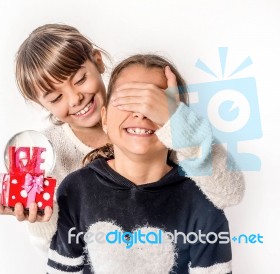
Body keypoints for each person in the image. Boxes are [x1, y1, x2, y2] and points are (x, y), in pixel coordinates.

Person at [0, 23, 244, 256]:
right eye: (55, 98)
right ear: (42, 104)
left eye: (80, 79)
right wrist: (40, 218)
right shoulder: (49, 155)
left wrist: (175, 122)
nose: (75, 99)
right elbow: (55, 248)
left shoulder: (153, 127)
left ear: (98, 62)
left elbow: (230, 193)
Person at [47, 54, 232, 273]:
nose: (141, 112)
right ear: (104, 118)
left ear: (179, 123)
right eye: (128, 99)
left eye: (157, 104)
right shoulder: (75, 190)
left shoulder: (202, 200)